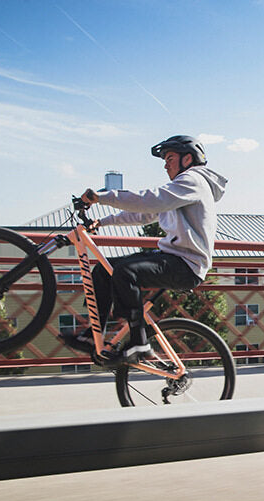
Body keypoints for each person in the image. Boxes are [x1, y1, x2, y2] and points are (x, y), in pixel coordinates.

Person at [59, 135, 227, 365]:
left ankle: (139, 342)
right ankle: (93, 336)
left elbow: (150, 200)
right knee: (103, 271)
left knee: (125, 273)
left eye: (169, 158)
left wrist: (102, 197)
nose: (165, 164)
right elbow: (144, 214)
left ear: (188, 159)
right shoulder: (179, 190)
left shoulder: (193, 180)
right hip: (171, 257)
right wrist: (104, 222)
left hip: (187, 265)